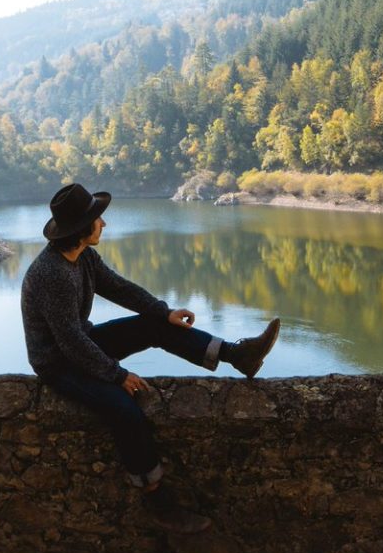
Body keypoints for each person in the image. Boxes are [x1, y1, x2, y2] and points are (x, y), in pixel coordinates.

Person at [20, 182, 280, 534]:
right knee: (126, 410)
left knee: (154, 326)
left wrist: (163, 311)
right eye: (98, 220)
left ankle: (238, 355)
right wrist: (116, 375)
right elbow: (69, 343)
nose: (104, 225)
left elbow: (119, 287)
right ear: (83, 230)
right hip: (58, 363)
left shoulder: (82, 257)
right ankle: (156, 498)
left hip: (80, 343)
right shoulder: (52, 275)